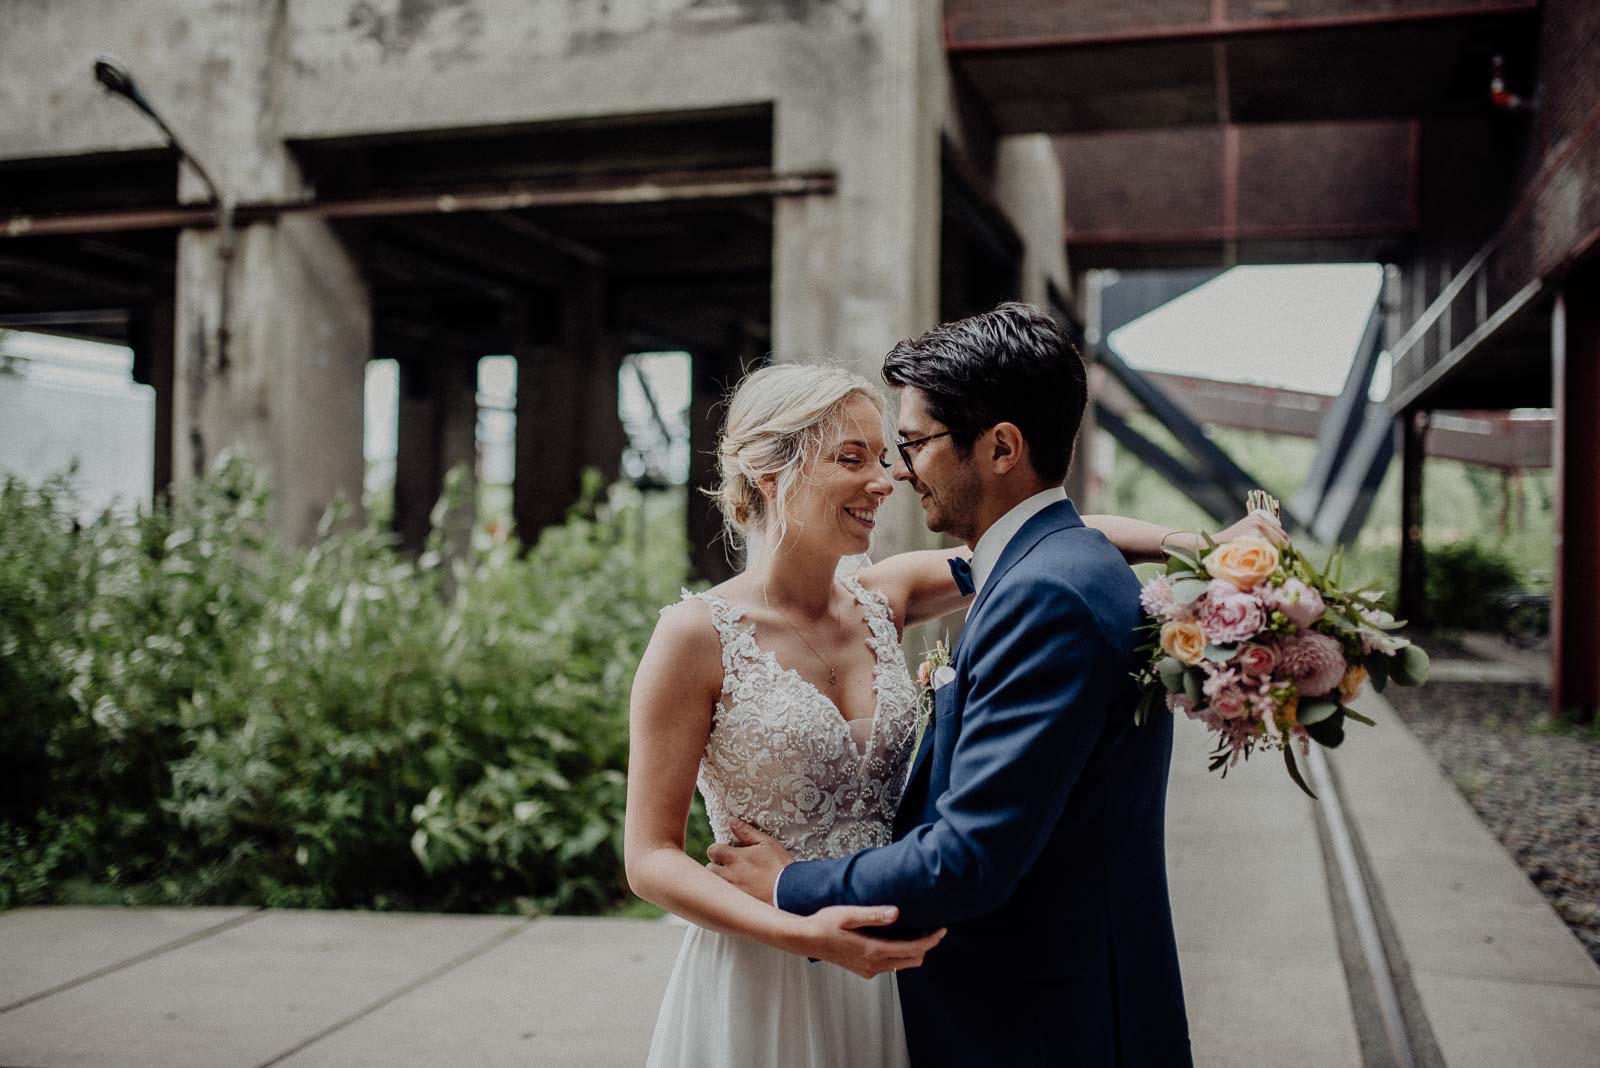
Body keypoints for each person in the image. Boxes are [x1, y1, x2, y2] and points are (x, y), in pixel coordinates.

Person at [625, 326, 1282, 1066]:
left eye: (888, 454)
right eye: (854, 459)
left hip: (896, 961)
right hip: (769, 965)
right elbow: (648, 856)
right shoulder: (694, 636)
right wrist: (798, 929)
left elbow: (1052, 535)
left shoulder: (886, 594)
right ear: (769, 473)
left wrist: (1203, 545)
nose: (887, 479)